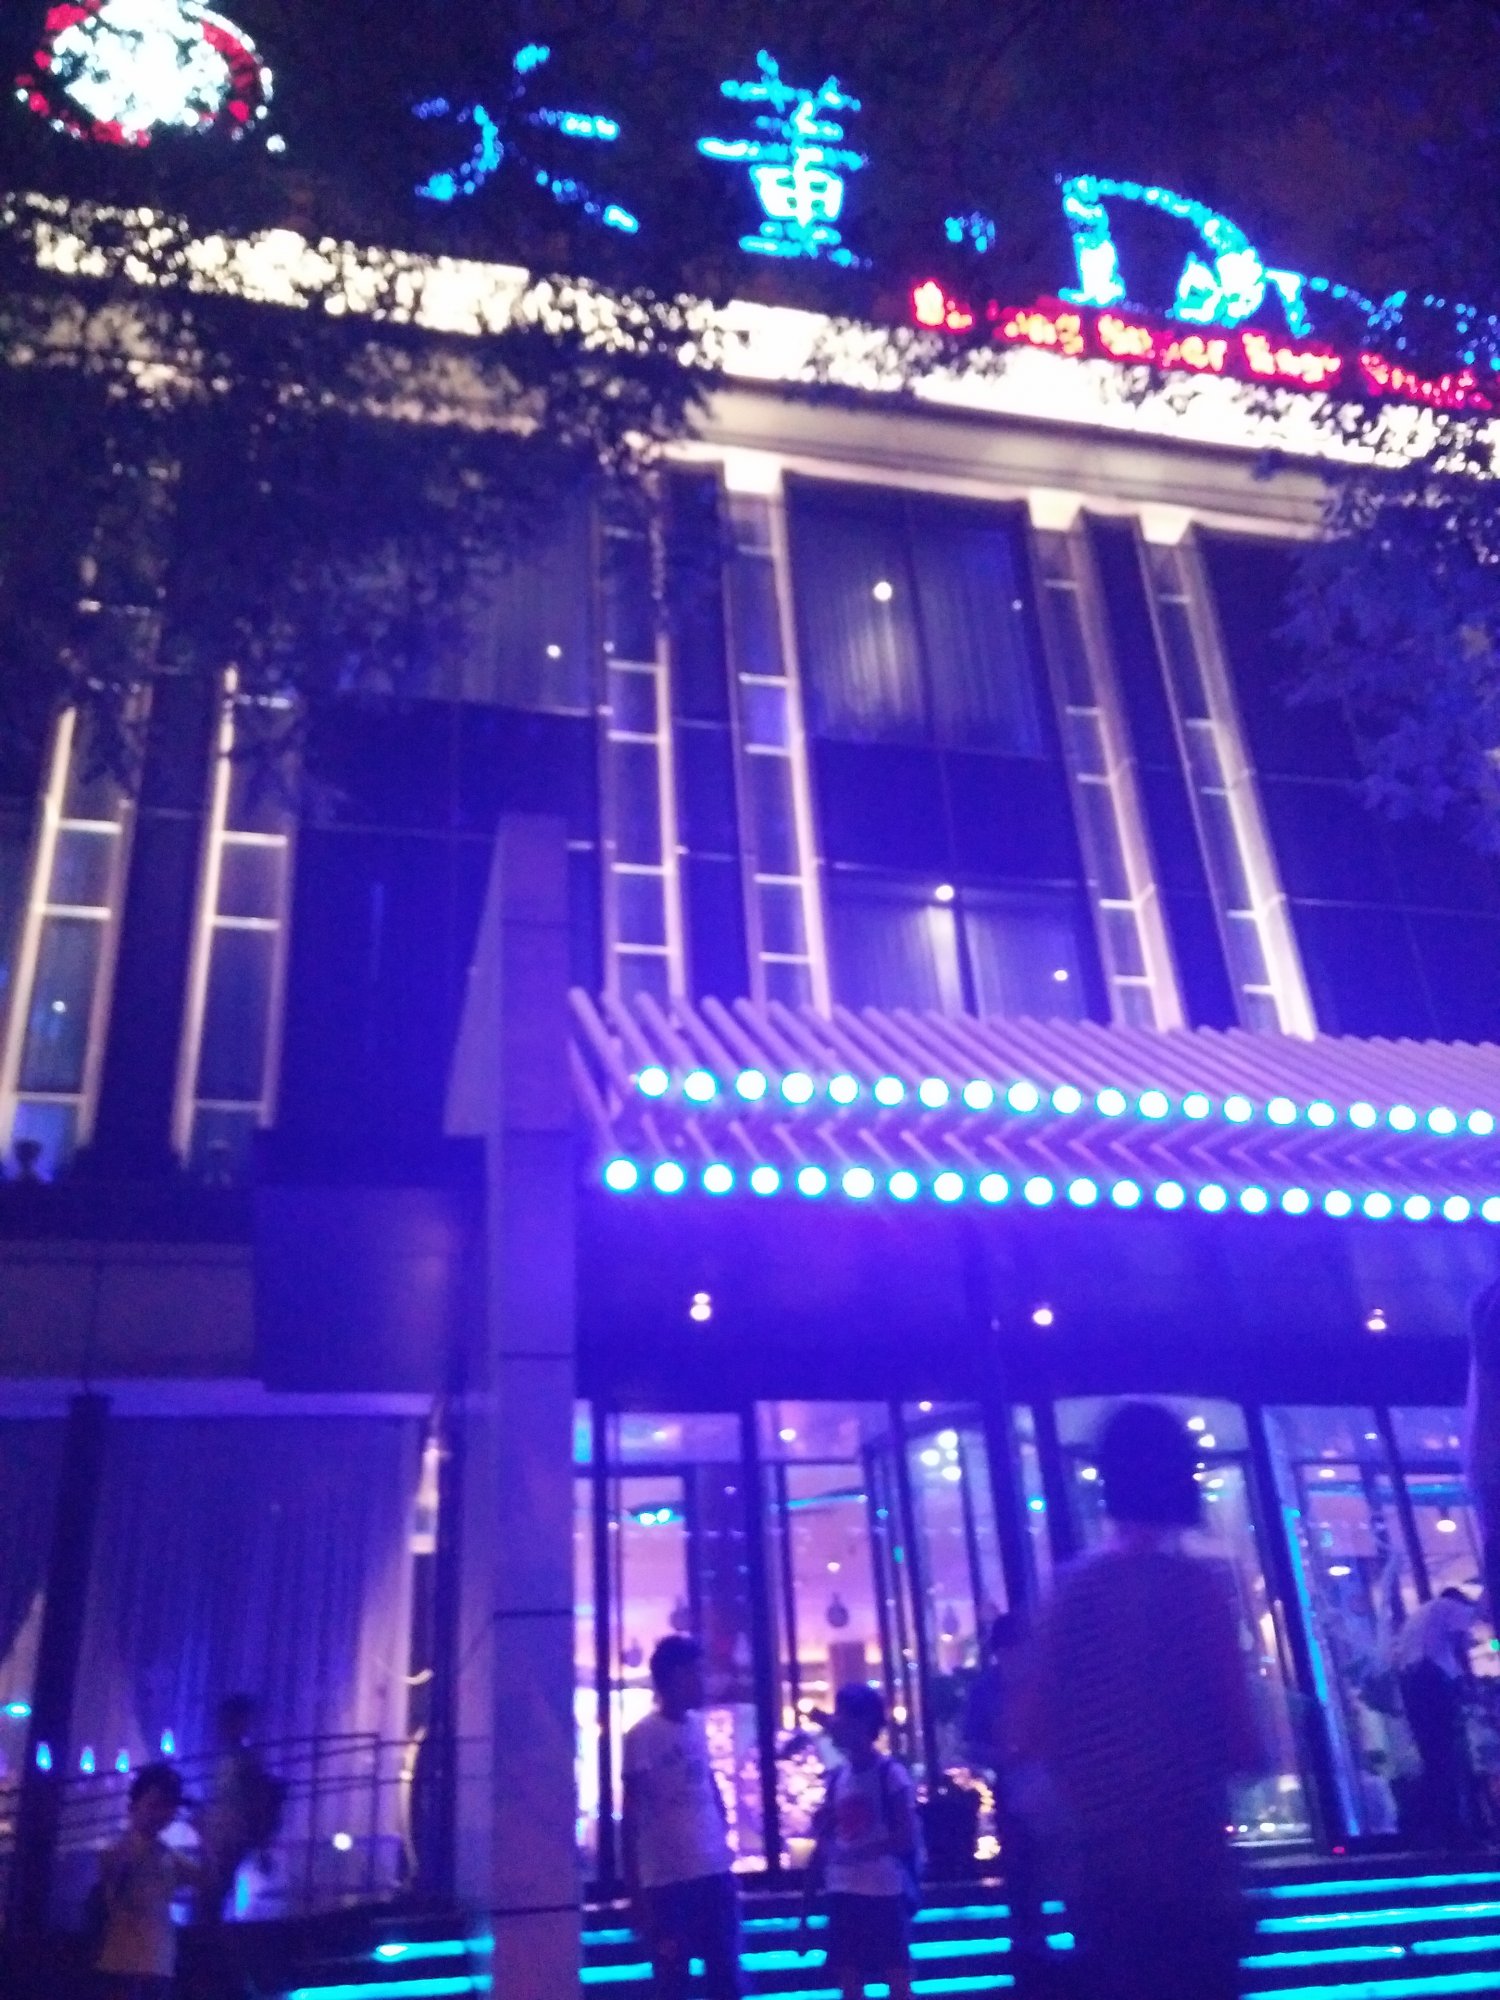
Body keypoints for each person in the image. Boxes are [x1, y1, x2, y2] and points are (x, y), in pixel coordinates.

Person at [1019, 1401, 1265, 2000]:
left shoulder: (1072, 1591)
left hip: (1103, 1872)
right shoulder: (1195, 1591)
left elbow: (1030, 1733)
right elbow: (1241, 1741)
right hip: (1189, 1864)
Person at [622, 1636, 742, 2000]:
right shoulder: (641, 1736)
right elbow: (631, 1814)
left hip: (713, 1870)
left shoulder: (696, 1726)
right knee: (674, 1979)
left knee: (725, 1974)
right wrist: (635, 1889)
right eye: (696, 1673)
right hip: (667, 1879)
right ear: (675, 1676)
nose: (703, 1681)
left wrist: (722, 1833)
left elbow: (707, 1782)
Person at [811, 1682, 920, 2000]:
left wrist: (854, 1853)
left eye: (842, 1715)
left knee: (892, 1979)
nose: (835, 1723)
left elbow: (906, 1836)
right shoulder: (839, 1777)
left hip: (882, 1889)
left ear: (863, 1722)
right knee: (854, 1980)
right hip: (846, 1888)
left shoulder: (889, 1774)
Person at [963, 1615, 1050, 1993]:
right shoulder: (988, 1690)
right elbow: (971, 1744)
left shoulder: (1044, 1686)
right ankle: (1031, 1950)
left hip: (1046, 1789)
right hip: (1016, 1790)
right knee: (1022, 1872)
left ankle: (1038, 1950)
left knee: (1038, 1869)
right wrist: (1005, 1756)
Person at [95, 1762, 197, 1998]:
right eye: (155, 1805)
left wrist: (204, 1836)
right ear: (134, 1806)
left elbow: (207, 1879)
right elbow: (117, 1891)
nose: (162, 1813)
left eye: (168, 1806)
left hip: (156, 1964)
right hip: (125, 1964)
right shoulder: (117, 1850)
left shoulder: (166, 1854)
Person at [1392, 1587, 1481, 1848]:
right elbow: (1458, 1645)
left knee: (1433, 1757)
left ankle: (1428, 1829)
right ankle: (1456, 1830)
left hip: (1411, 1683)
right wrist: (1469, 1682)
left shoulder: (1419, 1614)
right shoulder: (1453, 1607)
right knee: (1448, 1755)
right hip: (1433, 1680)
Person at [195, 1694, 283, 1925]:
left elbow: (254, 1798)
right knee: (213, 1890)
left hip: (229, 1832)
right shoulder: (232, 1758)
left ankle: (209, 1934)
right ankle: (210, 1932)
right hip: (223, 1832)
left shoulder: (242, 1760)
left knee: (213, 1889)